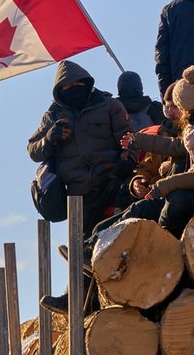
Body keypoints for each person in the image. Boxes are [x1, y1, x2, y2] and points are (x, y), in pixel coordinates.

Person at [120, 65, 194, 237]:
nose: (170, 113)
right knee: (139, 209)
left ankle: (160, 244)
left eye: (176, 107)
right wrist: (137, 140)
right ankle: (94, 244)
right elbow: (173, 146)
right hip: (175, 191)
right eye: (167, 108)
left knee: (176, 198)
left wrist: (164, 184)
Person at [27, 60, 133, 234]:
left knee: (121, 234)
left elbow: (130, 138)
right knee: (83, 247)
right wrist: (49, 138)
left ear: (87, 83)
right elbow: (33, 150)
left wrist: (128, 159)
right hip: (78, 194)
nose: (73, 88)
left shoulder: (109, 105)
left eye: (78, 83)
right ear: (60, 91)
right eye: (67, 86)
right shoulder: (53, 115)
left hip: (112, 182)